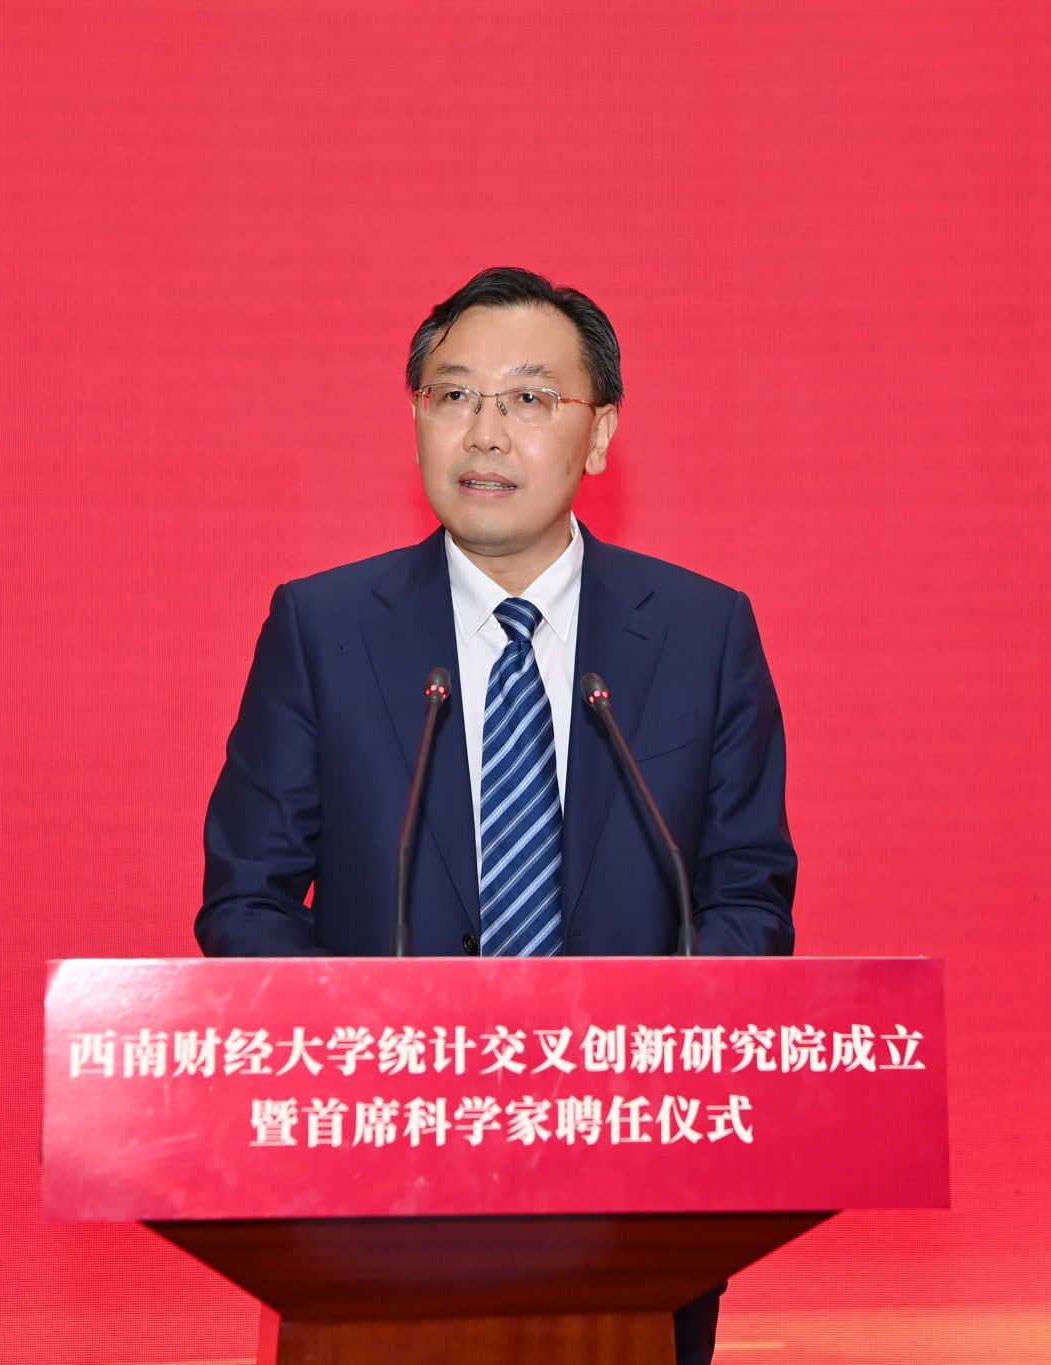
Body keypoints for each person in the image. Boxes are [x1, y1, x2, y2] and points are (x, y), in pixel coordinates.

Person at [197, 266, 797, 1364]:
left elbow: (747, 894)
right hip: (378, 1184)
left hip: (631, 1184)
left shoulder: (704, 634)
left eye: (527, 398)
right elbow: (247, 899)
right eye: (452, 395)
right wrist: (373, 1064)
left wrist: (637, 1064)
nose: (483, 432)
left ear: (598, 433)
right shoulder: (321, 628)